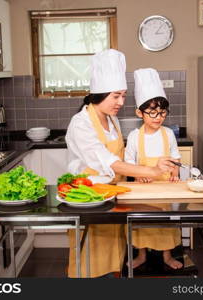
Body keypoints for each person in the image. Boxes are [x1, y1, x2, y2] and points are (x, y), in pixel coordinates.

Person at [65, 50, 175, 278]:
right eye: (116, 96)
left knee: (115, 255)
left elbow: (122, 157)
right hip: (90, 198)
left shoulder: (111, 119)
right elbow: (109, 161)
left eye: (123, 95)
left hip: (114, 195)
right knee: (90, 258)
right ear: (99, 93)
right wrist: (151, 170)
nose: (121, 102)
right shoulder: (81, 123)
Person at [124, 68, 183, 270]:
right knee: (142, 224)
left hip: (165, 188)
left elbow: (175, 159)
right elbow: (128, 165)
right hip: (143, 191)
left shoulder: (168, 134)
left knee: (165, 222)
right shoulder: (134, 136)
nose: (158, 117)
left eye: (162, 112)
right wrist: (140, 176)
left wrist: (174, 174)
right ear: (139, 113)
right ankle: (141, 255)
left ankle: (166, 256)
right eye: (152, 113)